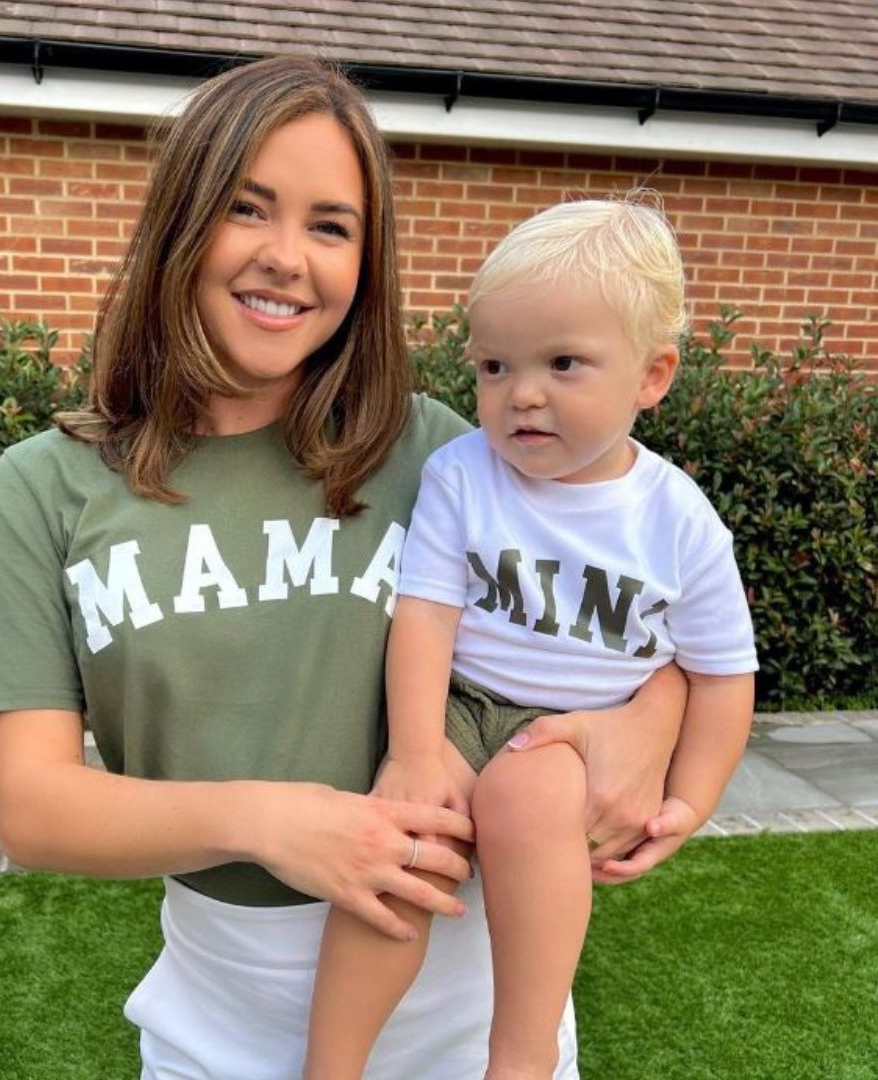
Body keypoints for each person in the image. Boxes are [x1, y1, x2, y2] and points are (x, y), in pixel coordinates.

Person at [0, 57, 688, 1080]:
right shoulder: (46, 486)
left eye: (331, 226)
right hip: (218, 1028)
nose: (288, 258)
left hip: (469, 1025)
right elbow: (35, 809)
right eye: (248, 209)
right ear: (180, 223)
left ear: (365, 262)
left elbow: (642, 599)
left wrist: (655, 714)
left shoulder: (446, 455)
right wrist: (275, 822)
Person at [304, 195, 758, 1080]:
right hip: (468, 701)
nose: (523, 396)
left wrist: (691, 802)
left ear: (651, 376)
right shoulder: (462, 472)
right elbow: (426, 614)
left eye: (563, 363)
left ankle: (520, 1061)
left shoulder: (679, 520)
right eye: (495, 366)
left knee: (531, 797)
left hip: (576, 728)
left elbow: (722, 674)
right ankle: (332, 1066)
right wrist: (416, 747)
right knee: (403, 839)